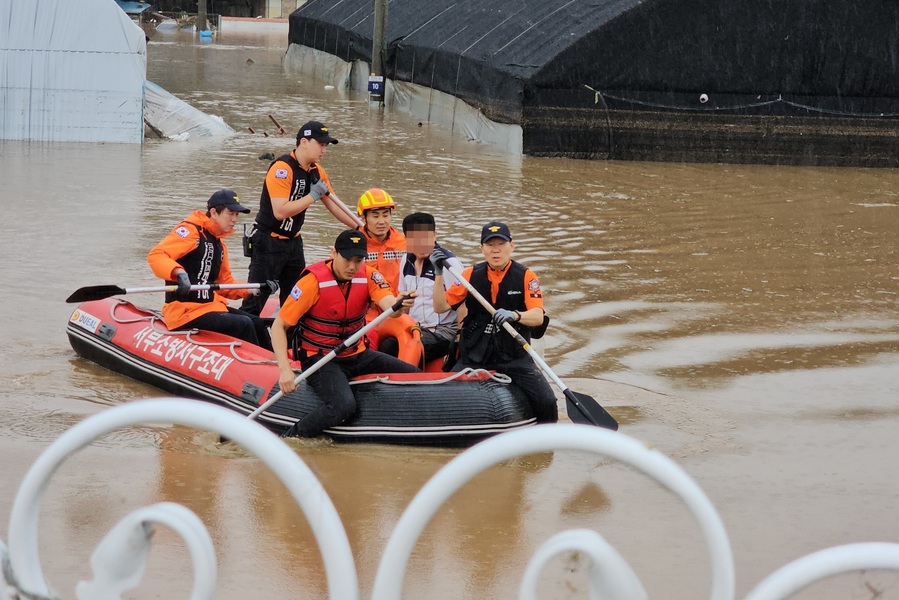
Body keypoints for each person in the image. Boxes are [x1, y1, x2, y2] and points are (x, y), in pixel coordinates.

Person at [271, 229, 420, 437]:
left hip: (356, 354)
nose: (352, 267)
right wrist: (285, 370)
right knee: (344, 406)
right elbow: (279, 326)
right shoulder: (312, 283)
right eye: (347, 259)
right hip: (320, 359)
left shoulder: (368, 275)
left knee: (415, 376)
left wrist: (400, 304)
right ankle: (292, 437)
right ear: (334, 253)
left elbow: (388, 305)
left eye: (358, 260)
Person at [431, 221, 558, 423]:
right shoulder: (468, 276)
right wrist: (438, 275)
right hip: (475, 353)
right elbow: (440, 306)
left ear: (512, 246)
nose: (496, 250)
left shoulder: (526, 276)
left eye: (501, 244)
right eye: (490, 245)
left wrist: (515, 315)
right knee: (446, 395)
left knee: (547, 401)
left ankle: (544, 446)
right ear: (482, 248)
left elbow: (537, 316)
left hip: (514, 354)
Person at [240, 120, 359, 316]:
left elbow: (335, 205)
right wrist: (313, 196)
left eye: (326, 146)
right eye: (320, 144)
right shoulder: (282, 168)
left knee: (295, 297)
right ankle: (240, 336)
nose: (324, 150)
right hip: (268, 241)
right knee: (257, 297)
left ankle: (288, 340)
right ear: (304, 142)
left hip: (294, 243)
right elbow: (280, 211)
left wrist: (361, 227)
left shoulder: (317, 172)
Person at [147, 189, 278, 349]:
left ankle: (278, 362)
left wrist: (255, 289)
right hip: (184, 311)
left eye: (237, 215)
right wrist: (178, 273)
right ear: (214, 212)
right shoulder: (190, 232)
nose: (234, 219)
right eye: (231, 213)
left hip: (209, 306)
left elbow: (224, 283)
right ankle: (261, 367)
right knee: (243, 324)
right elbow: (157, 255)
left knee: (255, 322)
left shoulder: (219, 244)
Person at [380, 212, 464, 364]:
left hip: (443, 332)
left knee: (410, 347)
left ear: (434, 235)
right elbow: (403, 303)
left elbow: (465, 301)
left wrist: (460, 337)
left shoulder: (448, 263)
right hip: (415, 327)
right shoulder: (406, 259)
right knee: (387, 345)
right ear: (406, 240)